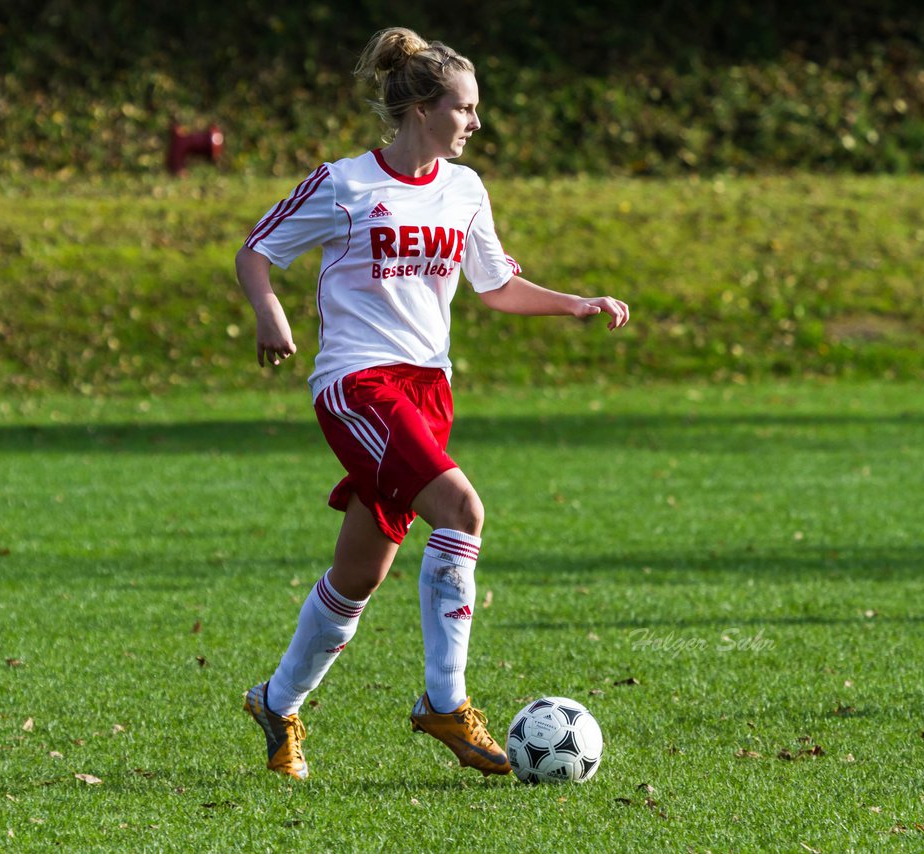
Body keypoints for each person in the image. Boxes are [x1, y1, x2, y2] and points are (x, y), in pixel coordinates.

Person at [236, 26, 630, 780]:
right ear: (420, 107)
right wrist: (269, 311)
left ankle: (276, 702)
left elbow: (496, 284)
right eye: (465, 108)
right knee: (463, 511)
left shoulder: (465, 189)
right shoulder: (345, 184)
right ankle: (444, 702)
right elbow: (256, 248)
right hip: (358, 385)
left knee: (361, 573)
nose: (475, 123)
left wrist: (574, 304)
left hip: (428, 390)